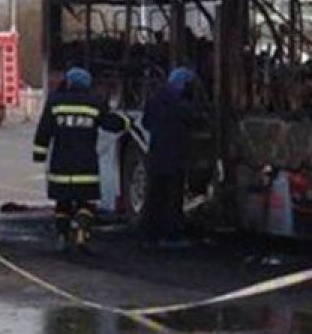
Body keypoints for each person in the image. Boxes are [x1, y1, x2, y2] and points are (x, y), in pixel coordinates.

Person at [33, 67, 130, 252]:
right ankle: (81, 233)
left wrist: (40, 154)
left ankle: (62, 236)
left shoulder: (55, 102)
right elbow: (110, 123)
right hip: (85, 164)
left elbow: (44, 130)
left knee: (62, 203)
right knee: (86, 203)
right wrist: (127, 122)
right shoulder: (94, 103)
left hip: (61, 164)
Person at [141, 66, 203, 248]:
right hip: (174, 157)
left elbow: (146, 122)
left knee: (154, 197)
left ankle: (150, 236)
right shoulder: (180, 103)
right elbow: (194, 118)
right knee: (173, 199)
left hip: (156, 155)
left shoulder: (155, 99)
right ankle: (171, 236)